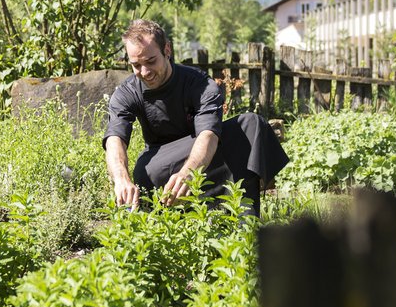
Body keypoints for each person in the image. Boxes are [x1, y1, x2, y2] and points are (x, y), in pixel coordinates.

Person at [103, 19, 289, 216]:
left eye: (150, 61)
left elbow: (208, 135)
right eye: (136, 65)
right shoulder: (127, 92)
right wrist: (121, 178)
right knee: (145, 173)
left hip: (204, 158)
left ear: (167, 49)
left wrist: (188, 173)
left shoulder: (199, 83)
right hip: (162, 167)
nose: (145, 72)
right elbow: (115, 138)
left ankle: (246, 224)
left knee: (251, 124)